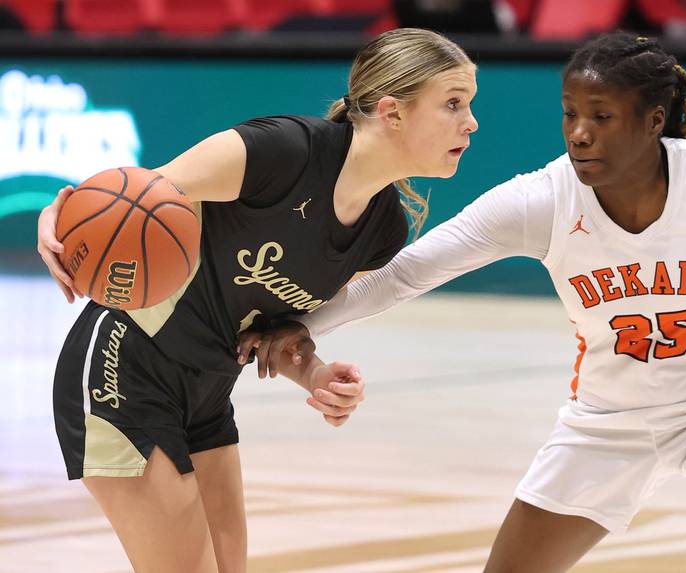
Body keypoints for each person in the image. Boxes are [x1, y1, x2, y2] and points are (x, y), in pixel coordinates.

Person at [251, 31, 686, 572]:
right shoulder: (542, 200)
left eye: (601, 117)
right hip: (606, 424)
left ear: (653, 120)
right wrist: (299, 325)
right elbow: (401, 275)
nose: (579, 134)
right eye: (570, 114)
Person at [35, 27, 478, 573]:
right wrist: (57, 216)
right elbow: (129, 200)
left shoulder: (383, 230)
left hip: (207, 392)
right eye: (453, 104)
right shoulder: (281, 152)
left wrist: (313, 372)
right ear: (392, 111)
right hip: (125, 370)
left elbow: (271, 329)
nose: (471, 122)